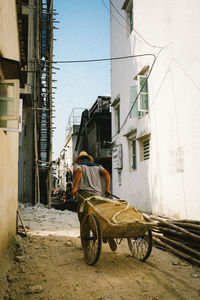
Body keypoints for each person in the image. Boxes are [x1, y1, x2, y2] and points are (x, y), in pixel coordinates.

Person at [71, 151, 117, 251]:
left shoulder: (78, 165)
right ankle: (105, 233)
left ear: (79, 159)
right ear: (88, 158)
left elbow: (78, 172)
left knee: (84, 218)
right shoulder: (98, 166)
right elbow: (107, 173)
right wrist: (107, 189)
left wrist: (75, 187)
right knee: (98, 215)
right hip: (97, 195)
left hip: (85, 195)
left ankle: (86, 244)